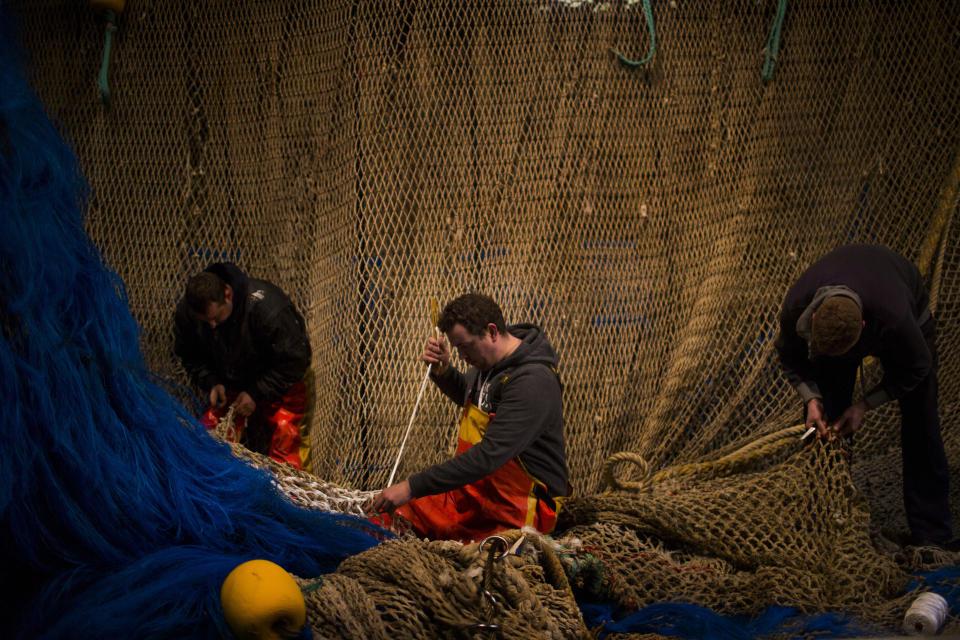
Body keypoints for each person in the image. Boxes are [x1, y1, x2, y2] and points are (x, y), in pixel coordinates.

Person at [774, 244, 951, 547]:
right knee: (824, 422)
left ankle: (932, 534)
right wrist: (811, 399)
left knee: (921, 419)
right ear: (813, 316)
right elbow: (789, 357)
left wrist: (865, 405)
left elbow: (917, 367)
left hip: (903, 315)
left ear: (864, 328)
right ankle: (826, 521)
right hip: (845, 319)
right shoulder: (796, 304)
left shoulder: (895, 317)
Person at [371, 293, 569, 542]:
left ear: (492, 331)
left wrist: (411, 486)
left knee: (456, 555)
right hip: (477, 494)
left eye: (465, 346)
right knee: (393, 517)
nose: (462, 356)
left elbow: (488, 456)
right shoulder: (488, 364)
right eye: (457, 349)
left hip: (519, 510)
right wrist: (444, 372)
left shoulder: (532, 382)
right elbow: (477, 402)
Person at [174, 262, 312, 469]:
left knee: (287, 446)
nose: (212, 326)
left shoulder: (269, 309)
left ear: (228, 294)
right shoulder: (189, 314)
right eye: (205, 322)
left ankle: (291, 499)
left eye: (216, 318)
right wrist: (212, 382)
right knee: (207, 445)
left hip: (281, 382)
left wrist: (255, 393)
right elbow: (190, 357)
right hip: (230, 384)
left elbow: (295, 361)